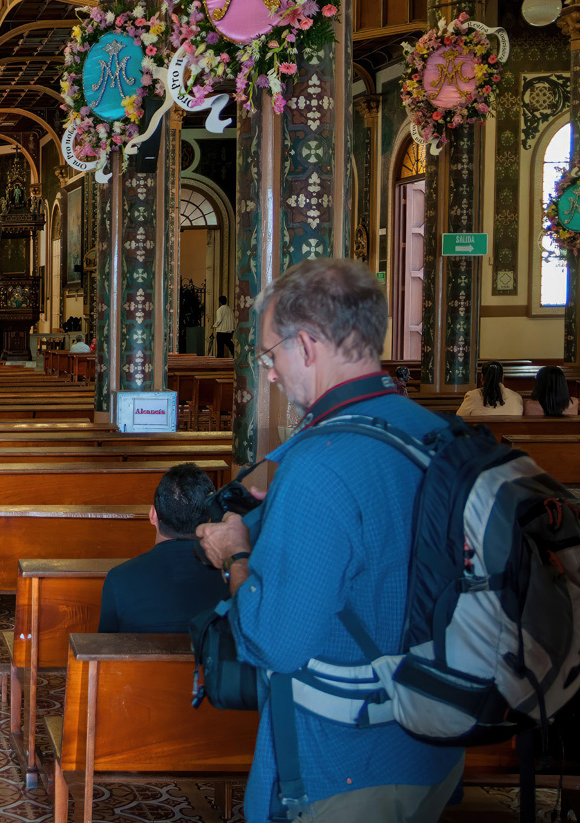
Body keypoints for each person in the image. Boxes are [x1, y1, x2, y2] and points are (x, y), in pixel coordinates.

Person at [194, 258, 464, 822]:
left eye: (270, 356)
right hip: (435, 741)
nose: (269, 373)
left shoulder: (318, 467)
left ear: (308, 345)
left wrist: (236, 553)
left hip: (345, 764)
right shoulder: (437, 433)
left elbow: (274, 642)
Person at [96, 463, 228, 633]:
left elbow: (104, 652)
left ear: (153, 515)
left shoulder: (118, 579)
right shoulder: (231, 577)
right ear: (209, 520)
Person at [455, 359, 541, 418]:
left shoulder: (472, 396)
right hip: (509, 442)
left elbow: (458, 419)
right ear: (503, 377)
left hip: (481, 442)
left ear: (481, 378)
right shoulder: (516, 397)